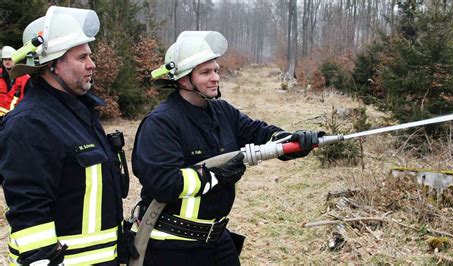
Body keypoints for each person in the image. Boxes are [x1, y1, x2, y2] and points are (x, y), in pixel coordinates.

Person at [132, 31, 323, 265]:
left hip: (216, 240)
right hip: (172, 245)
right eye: (205, 72)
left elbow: (259, 133)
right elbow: (162, 182)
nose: (215, 78)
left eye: (216, 70)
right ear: (183, 79)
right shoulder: (161, 123)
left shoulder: (222, 112)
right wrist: (215, 176)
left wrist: (293, 141)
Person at [0, 6, 127, 265]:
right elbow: (29, 214)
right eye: (82, 57)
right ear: (53, 65)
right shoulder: (30, 124)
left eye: (89, 56)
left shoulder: (79, 112)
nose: (92, 64)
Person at [0, 46, 30, 119]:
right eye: (5, 59)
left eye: (10, 59)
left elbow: (29, 99)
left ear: (15, 60)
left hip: (15, 118)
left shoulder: (25, 78)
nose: (7, 62)